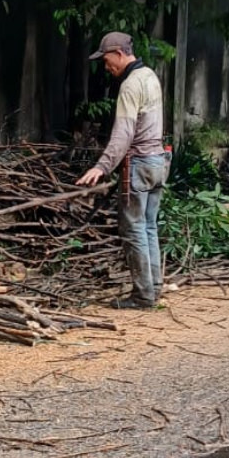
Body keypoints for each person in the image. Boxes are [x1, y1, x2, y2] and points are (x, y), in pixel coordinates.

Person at [76, 31, 170, 309]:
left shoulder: (130, 85)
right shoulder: (150, 76)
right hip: (158, 162)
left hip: (139, 165)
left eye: (107, 61)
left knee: (135, 230)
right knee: (149, 226)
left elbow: (123, 134)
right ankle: (154, 287)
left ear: (119, 53)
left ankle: (142, 296)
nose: (107, 67)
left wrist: (101, 166)